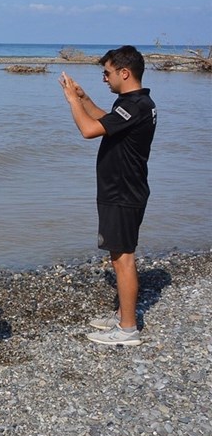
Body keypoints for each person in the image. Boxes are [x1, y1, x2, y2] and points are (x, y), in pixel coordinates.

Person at [59, 45, 156, 346]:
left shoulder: (136, 105)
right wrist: (85, 98)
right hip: (126, 189)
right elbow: (107, 122)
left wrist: (73, 102)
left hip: (123, 192)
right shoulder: (134, 103)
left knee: (122, 258)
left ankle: (128, 329)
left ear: (124, 73)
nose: (105, 78)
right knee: (121, 254)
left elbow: (89, 130)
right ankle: (121, 314)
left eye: (107, 73)